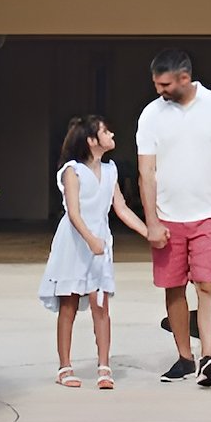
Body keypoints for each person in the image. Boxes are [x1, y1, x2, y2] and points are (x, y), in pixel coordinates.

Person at [137, 49, 211, 387]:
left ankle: (208, 357)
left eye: (165, 84)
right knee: (173, 287)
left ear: (184, 78)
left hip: (210, 214)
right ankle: (184, 357)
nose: (159, 90)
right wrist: (152, 222)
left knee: (207, 284)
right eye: (156, 84)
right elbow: (146, 172)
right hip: (167, 218)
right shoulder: (151, 115)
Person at [38, 115, 149, 390]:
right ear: (91, 140)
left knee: (101, 305)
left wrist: (148, 233)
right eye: (105, 131)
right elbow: (74, 213)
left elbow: (121, 208)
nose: (111, 134)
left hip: (99, 243)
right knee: (69, 304)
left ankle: (104, 366)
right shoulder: (72, 171)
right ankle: (64, 367)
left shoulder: (111, 171)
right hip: (74, 243)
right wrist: (90, 240)